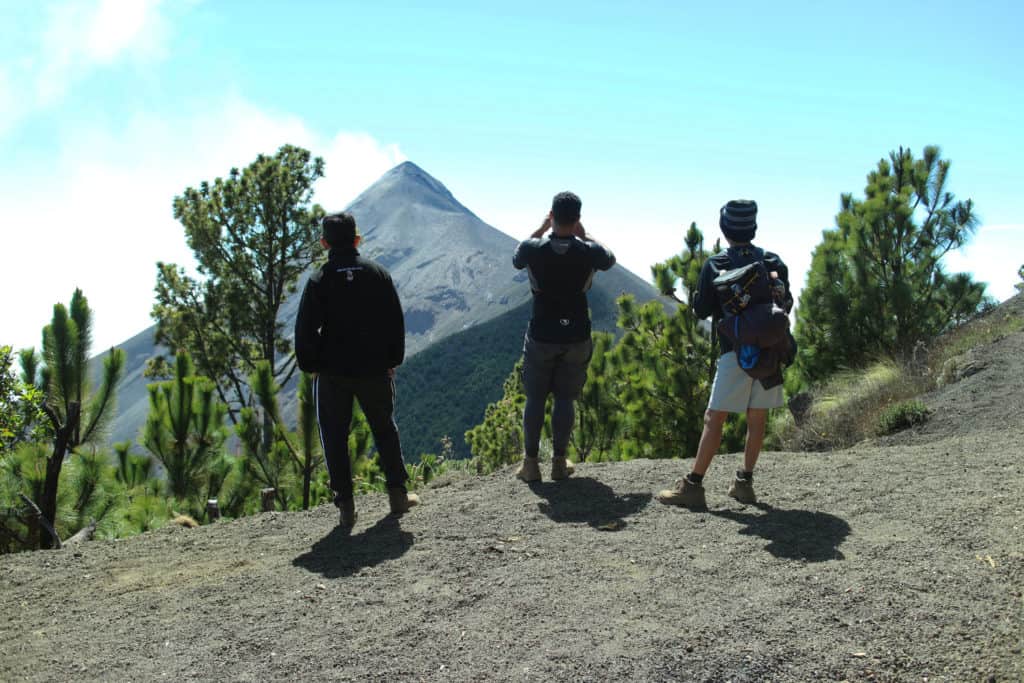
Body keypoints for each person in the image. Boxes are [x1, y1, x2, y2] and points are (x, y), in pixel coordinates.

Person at [657, 199, 793, 508]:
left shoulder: (716, 264)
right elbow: (786, 302)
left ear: (725, 228)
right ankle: (744, 483)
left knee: (714, 418)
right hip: (770, 350)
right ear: (753, 227)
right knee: (756, 417)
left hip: (735, 351)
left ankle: (693, 486)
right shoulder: (773, 260)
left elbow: (702, 309)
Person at [295, 212, 418, 527]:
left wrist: (312, 365)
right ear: (357, 240)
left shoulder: (319, 279)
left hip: (333, 373)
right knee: (384, 429)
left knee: (335, 437)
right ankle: (398, 496)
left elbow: (306, 329)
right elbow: (394, 322)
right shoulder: (377, 274)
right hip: (375, 368)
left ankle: (347, 508)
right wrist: (392, 360)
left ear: (324, 243)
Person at [512, 191, 616, 482]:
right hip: (577, 334)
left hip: (542, 333)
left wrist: (542, 229)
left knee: (535, 399)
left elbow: (518, 256)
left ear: (551, 215)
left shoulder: (534, 248)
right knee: (565, 400)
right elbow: (609, 258)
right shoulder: (588, 251)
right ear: (577, 219)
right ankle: (559, 463)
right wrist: (586, 234)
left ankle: (530, 465)